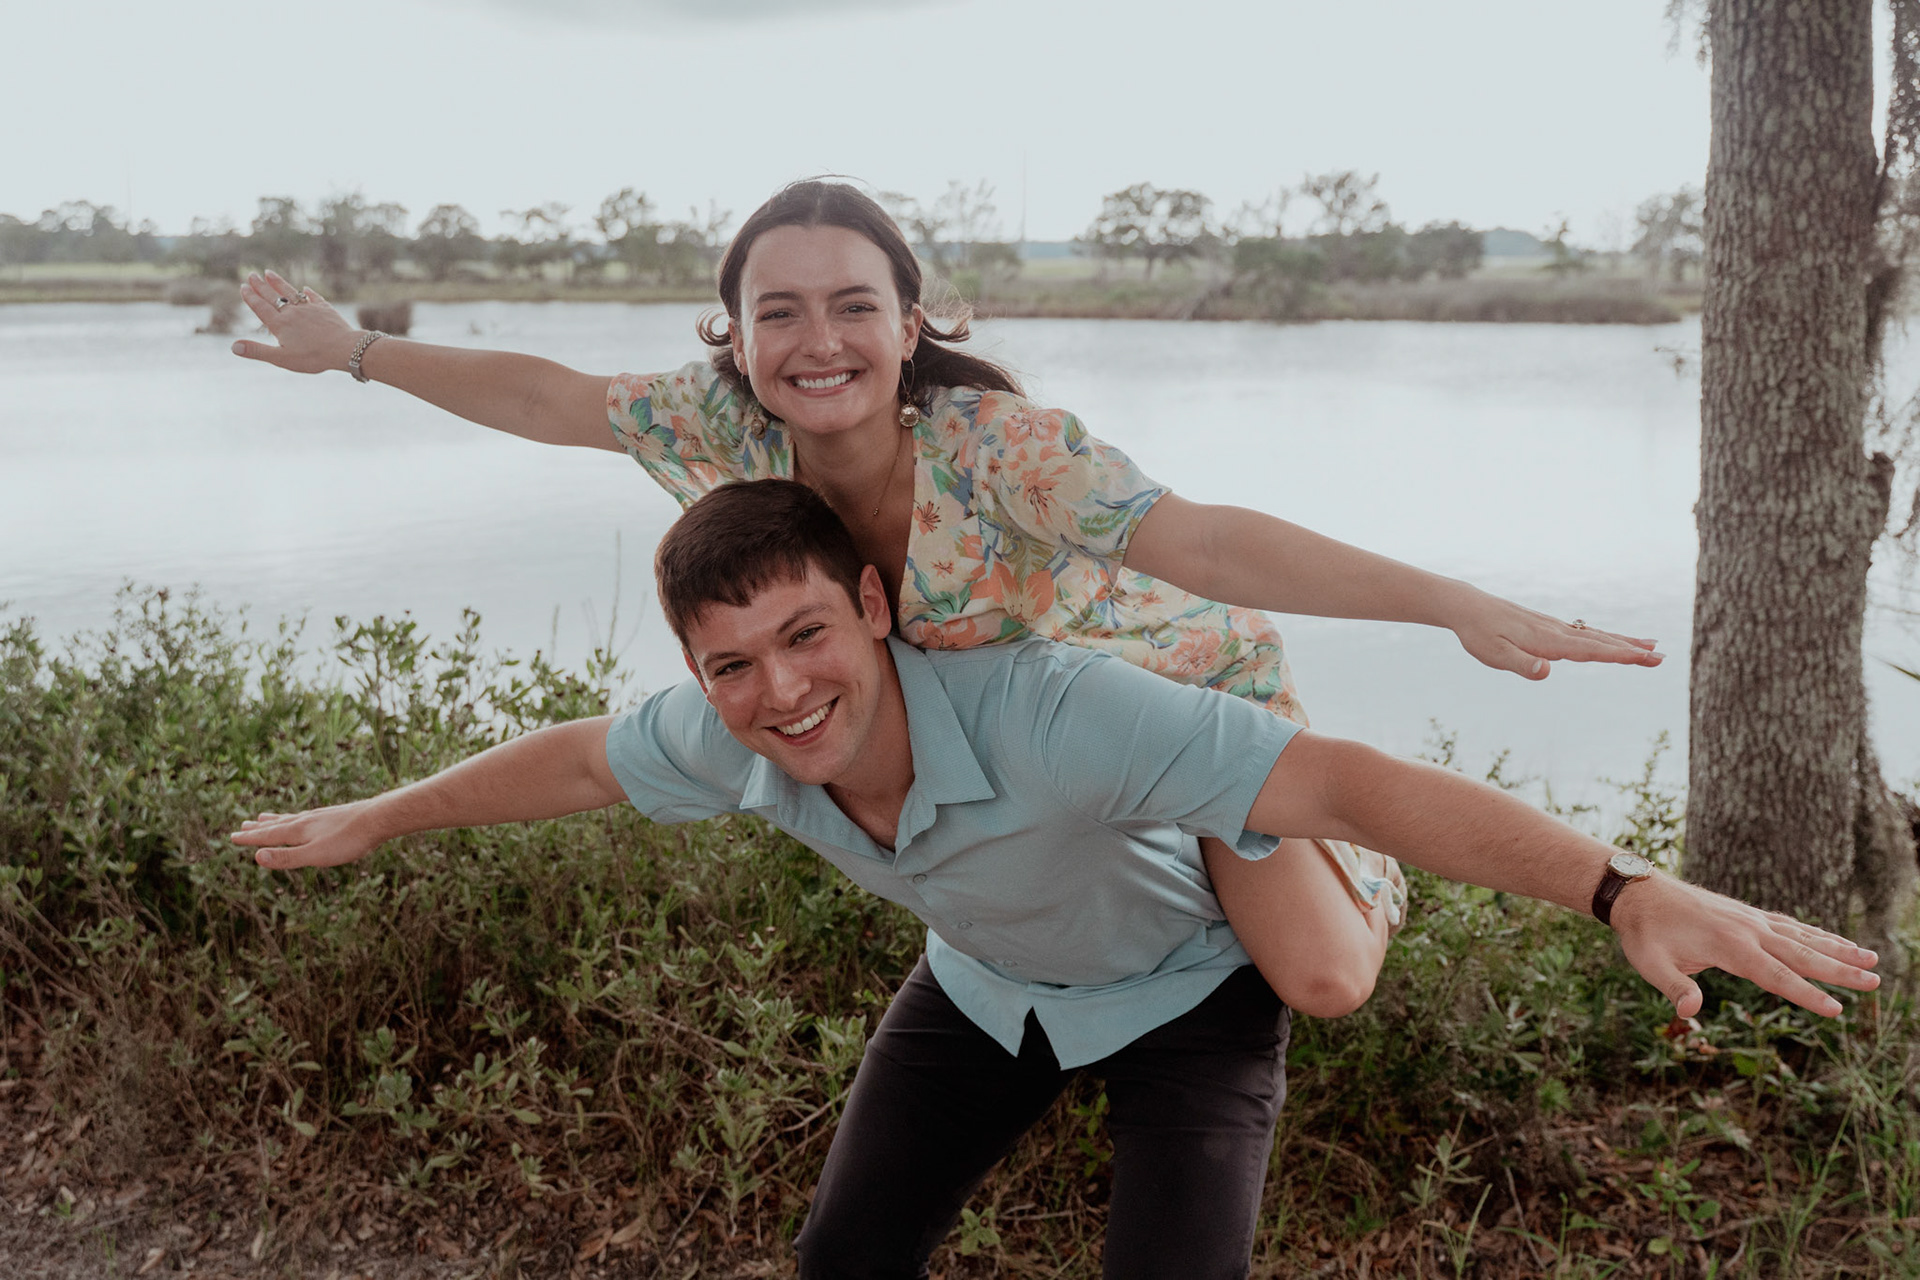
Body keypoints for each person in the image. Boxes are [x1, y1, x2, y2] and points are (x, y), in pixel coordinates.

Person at [234, 480, 1876, 1280]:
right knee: (842, 1262)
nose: (781, 692)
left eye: (806, 634)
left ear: (875, 605)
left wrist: (1619, 888)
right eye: (731, 665)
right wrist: (381, 814)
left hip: (1190, 997)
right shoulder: (722, 732)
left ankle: (1268, 848)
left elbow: (1358, 780)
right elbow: (579, 761)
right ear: (699, 675)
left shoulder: (1054, 708)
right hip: (986, 985)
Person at [230, 179, 1663, 1015]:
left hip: (1166, 693)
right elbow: (545, 395)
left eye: (854, 305)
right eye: (779, 311)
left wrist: (1445, 599)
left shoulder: (1001, 450)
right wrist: (355, 351)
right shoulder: (720, 419)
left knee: (1324, 984)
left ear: (911, 324)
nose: (818, 340)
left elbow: (1212, 547)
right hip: (1005, 731)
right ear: (738, 336)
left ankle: (1363, 871)